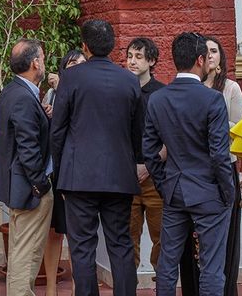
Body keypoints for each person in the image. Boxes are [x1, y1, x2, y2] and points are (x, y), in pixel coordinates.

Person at [51, 20, 143, 296]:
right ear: (113, 46)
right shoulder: (129, 79)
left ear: (85, 47)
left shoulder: (71, 78)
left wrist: (60, 172)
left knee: (82, 247)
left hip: (79, 177)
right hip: (119, 175)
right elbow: (138, 130)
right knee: (121, 244)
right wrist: (136, 161)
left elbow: (58, 131)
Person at [143, 32, 234, 295]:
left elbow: (150, 152)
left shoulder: (158, 99)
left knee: (168, 265)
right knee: (211, 268)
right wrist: (227, 191)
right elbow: (219, 154)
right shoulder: (212, 99)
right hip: (208, 192)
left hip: (174, 191)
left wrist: (164, 185)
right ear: (200, 60)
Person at [179, 35, 242, 296]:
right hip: (193, 171)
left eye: (215, 51)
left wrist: (209, 123)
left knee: (222, 242)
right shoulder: (190, 89)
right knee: (192, 242)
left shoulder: (230, 89)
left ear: (221, 57)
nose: (210, 55)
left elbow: (237, 131)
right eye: (206, 51)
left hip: (222, 169)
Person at [0, 39, 53, 295]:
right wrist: (40, 184)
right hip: (30, 189)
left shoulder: (14, 90)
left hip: (20, 185)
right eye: (42, 57)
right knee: (27, 256)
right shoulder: (23, 96)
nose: (44, 63)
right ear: (35, 63)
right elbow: (27, 146)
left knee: (20, 251)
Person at [42, 49, 85, 296]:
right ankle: (50, 288)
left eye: (80, 63)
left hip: (80, 170)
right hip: (56, 169)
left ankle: (79, 287)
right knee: (54, 230)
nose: (75, 68)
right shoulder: (51, 93)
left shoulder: (89, 91)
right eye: (71, 64)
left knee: (78, 232)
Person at [125, 37, 165, 277]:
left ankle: (162, 282)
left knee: (162, 237)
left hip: (156, 177)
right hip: (126, 176)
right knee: (127, 238)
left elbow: (170, 138)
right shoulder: (120, 90)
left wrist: (149, 167)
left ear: (151, 61)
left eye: (139, 56)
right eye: (130, 55)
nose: (132, 61)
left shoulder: (162, 93)